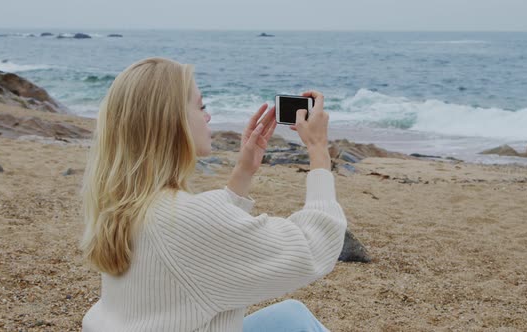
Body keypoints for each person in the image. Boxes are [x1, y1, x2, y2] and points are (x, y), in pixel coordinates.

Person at [81, 57, 347, 332]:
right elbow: (316, 245)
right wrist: (318, 149)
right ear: (172, 121)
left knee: (292, 316)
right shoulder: (185, 220)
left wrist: (244, 170)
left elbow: (203, 238)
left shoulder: (121, 202)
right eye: (201, 106)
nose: (208, 116)